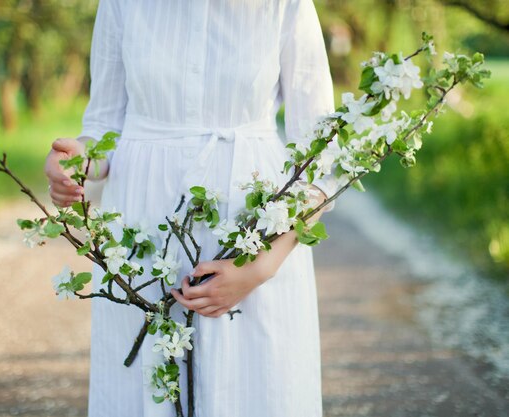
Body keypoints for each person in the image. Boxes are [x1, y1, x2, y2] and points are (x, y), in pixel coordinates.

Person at [44, 1, 339, 416]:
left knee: (255, 390)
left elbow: (321, 156)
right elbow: (103, 128)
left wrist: (259, 266)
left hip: (253, 233)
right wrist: (76, 162)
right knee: (147, 388)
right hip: (143, 231)